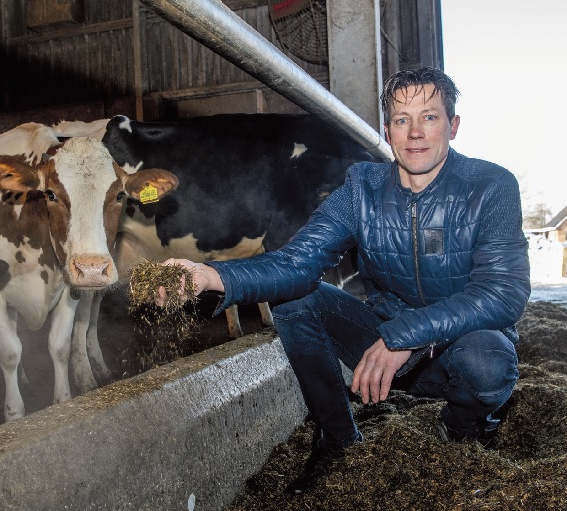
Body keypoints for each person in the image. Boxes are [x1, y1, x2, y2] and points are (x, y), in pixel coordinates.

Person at [156, 67, 530, 494]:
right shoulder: (361, 190)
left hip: (456, 348)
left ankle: (463, 431)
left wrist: (404, 336)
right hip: (380, 343)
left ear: (453, 126)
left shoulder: (490, 186)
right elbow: (297, 262)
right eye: (401, 120)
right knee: (295, 297)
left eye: (429, 117)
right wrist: (211, 274)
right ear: (387, 131)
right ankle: (337, 437)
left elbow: (503, 292)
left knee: (488, 363)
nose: (415, 133)